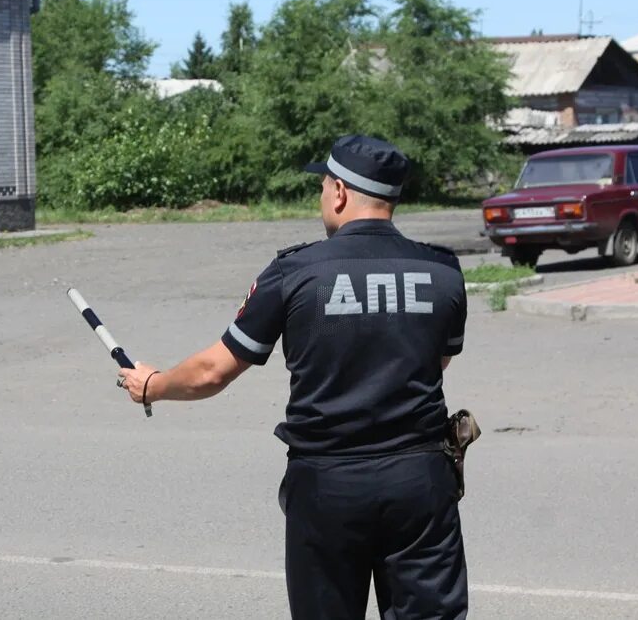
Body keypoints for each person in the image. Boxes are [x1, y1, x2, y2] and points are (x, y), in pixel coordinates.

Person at [119, 134, 469, 619]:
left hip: (329, 483)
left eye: (323, 186)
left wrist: (151, 385)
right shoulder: (443, 271)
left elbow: (212, 372)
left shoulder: (295, 272)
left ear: (341, 193)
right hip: (419, 481)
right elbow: (436, 362)